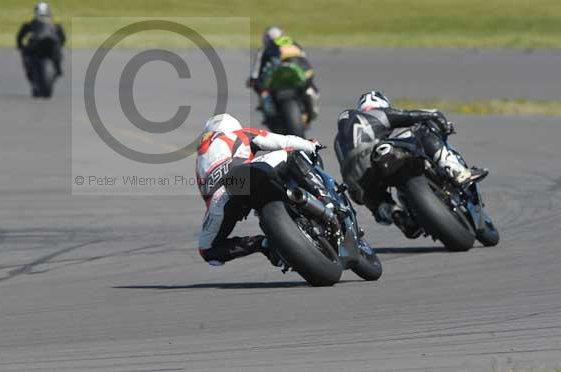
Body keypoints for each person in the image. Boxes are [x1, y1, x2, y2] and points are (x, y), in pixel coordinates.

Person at [333, 91, 488, 235]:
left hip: (357, 183)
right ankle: (456, 171)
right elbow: (413, 115)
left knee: (377, 202)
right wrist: (438, 119)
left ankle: (396, 215)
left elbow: (347, 170)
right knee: (423, 128)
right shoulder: (377, 113)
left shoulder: (339, 140)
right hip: (376, 156)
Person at [195, 113, 327, 267]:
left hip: (221, 199)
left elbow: (207, 197)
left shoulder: (200, 160)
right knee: (292, 154)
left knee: (208, 250)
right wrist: (311, 145)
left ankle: (262, 244)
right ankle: (323, 198)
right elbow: (282, 141)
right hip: (248, 174)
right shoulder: (240, 134)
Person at [247, 26, 320, 121]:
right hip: (301, 68)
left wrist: (253, 80)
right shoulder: (293, 43)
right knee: (309, 83)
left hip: (277, 73)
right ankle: (312, 101)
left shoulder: (264, 48)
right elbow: (304, 58)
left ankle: (269, 112)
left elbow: (257, 69)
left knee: (262, 89)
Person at [16, 1, 66, 80]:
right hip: (47, 45)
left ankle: (30, 71)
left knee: (26, 53)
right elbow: (63, 38)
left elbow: (20, 36)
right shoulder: (54, 24)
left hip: (38, 45)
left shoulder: (32, 23)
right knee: (57, 52)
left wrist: (20, 46)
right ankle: (58, 68)